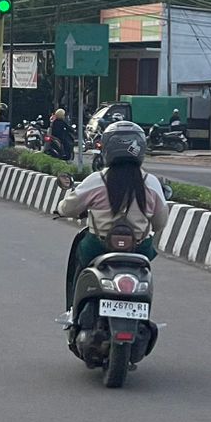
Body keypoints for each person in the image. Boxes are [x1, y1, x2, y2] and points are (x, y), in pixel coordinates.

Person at [54, 121, 170, 311]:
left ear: (107, 148)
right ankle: (143, 309)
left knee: (80, 261)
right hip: (139, 248)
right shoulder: (151, 183)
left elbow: (68, 208)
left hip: (98, 246)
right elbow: (160, 223)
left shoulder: (96, 180)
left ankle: (74, 311)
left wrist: (61, 208)